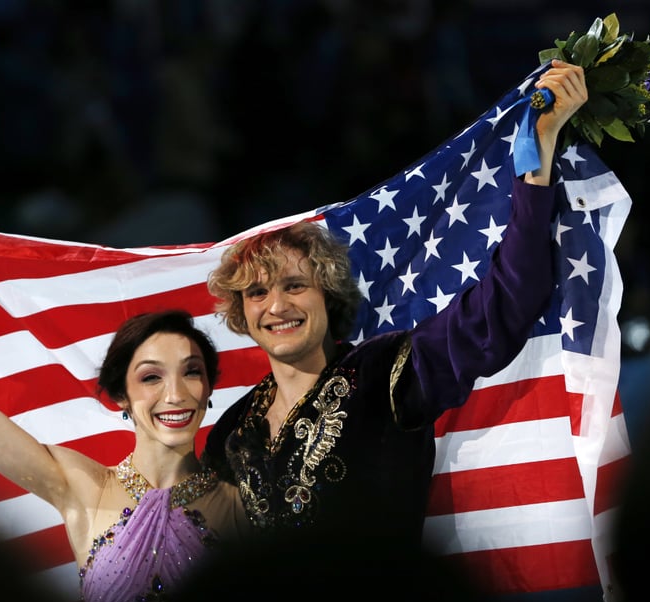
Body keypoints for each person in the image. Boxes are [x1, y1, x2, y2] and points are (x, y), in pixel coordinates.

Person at [200, 59, 588, 544]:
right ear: (241, 314)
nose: (276, 306)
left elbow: (507, 304)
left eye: (294, 286)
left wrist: (539, 157)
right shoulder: (231, 433)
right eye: (257, 293)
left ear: (326, 292)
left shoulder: (389, 371)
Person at [0, 213, 251, 602]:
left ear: (210, 388)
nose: (175, 394)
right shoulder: (79, 485)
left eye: (191, 371)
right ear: (121, 395)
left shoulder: (243, 502)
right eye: (151, 377)